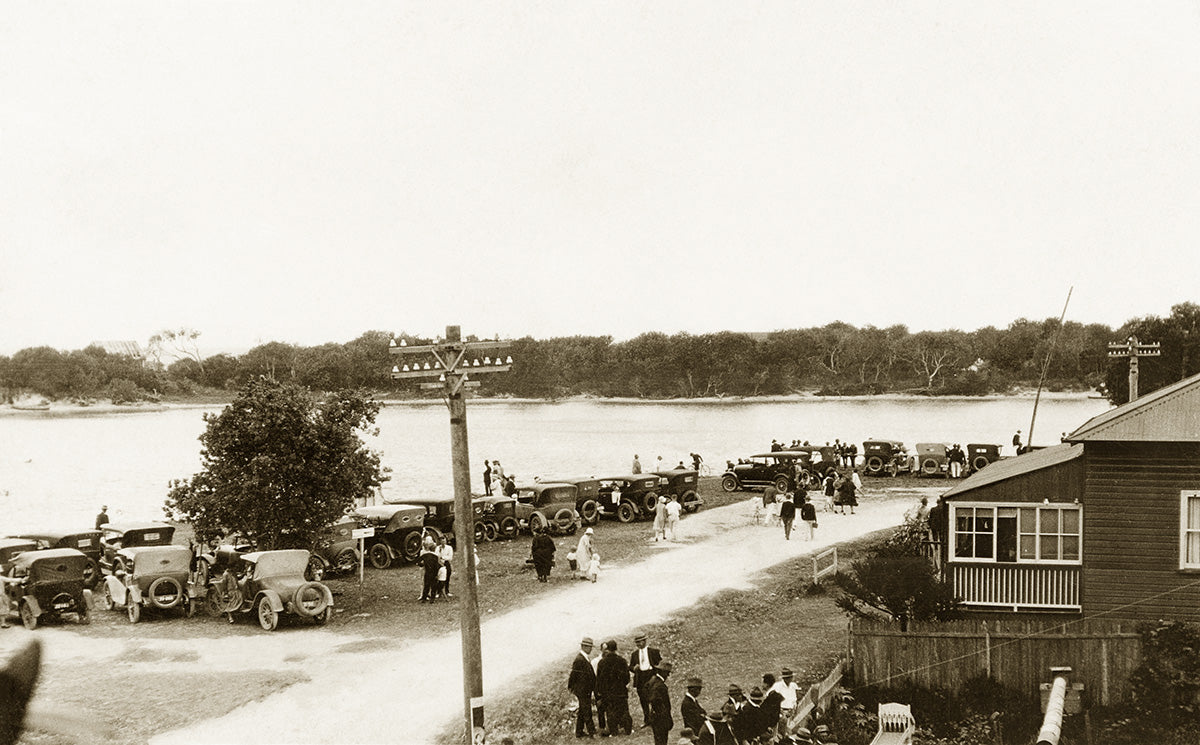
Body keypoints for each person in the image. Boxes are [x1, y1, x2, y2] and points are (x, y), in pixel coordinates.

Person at [596, 640, 634, 736]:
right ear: (616, 648)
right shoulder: (622, 661)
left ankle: (614, 732)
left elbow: (599, 680)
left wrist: (601, 692)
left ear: (608, 649)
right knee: (624, 710)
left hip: (608, 693)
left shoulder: (601, 662)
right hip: (620, 691)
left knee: (610, 712)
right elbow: (626, 678)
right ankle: (628, 730)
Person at [630, 632, 662, 728]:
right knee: (643, 699)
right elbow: (630, 666)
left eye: (640, 642)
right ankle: (647, 719)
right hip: (640, 678)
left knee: (654, 697)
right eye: (637, 643)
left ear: (645, 641)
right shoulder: (634, 654)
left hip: (651, 676)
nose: (638, 644)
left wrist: (656, 675)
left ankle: (655, 718)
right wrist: (634, 668)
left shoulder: (653, 651)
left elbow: (661, 664)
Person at [569, 636, 598, 738]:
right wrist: (573, 688)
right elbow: (573, 675)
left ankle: (579, 732)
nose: (590, 649)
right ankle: (592, 732)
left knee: (582, 710)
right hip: (582, 690)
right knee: (587, 711)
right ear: (584, 646)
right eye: (589, 647)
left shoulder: (583, 658)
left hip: (584, 689)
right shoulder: (579, 659)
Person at [645, 661, 674, 745]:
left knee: (658, 740)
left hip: (655, 716)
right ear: (663, 672)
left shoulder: (651, 681)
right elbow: (656, 700)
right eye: (667, 673)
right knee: (662, 740)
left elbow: (645, 694)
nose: (668, 676)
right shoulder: (660, 686)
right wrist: (665, 715)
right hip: (661, 718)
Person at [418, 537, 440, 602]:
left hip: (427, 571)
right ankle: (432, 598)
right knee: (433, 585)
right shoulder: (435, 556)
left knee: (426, 585)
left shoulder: (425, 555)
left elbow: (418, 561)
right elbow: (437, 565)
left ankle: (424, 598)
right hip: (433, 572)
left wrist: (422, 564)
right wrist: (437, 573)